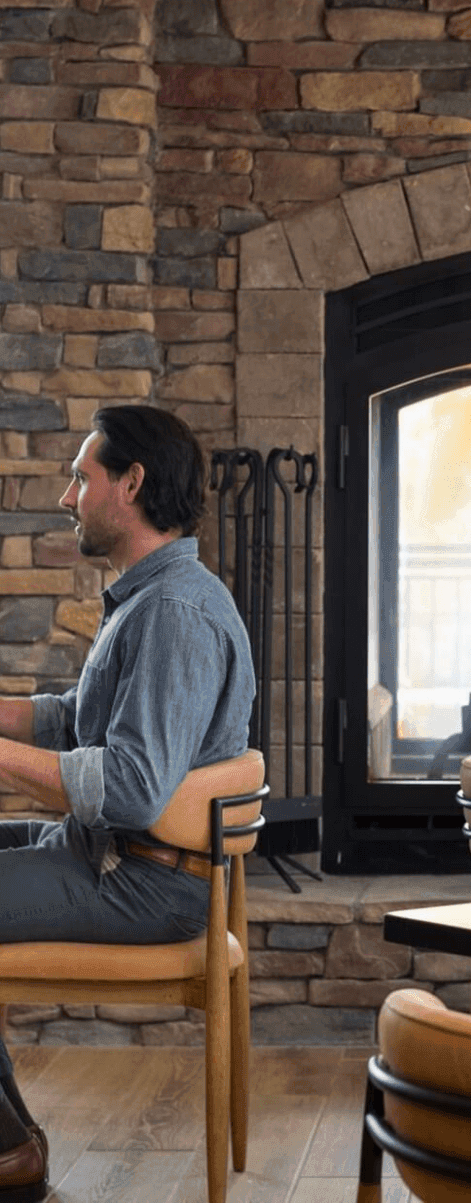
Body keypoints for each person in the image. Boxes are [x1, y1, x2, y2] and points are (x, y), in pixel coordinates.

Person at [0, 405, 255, 1202]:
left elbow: (137, 787)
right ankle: (12, 1146)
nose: (69, 495)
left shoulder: (175, 613)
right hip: (107, 856)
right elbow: (82, 717)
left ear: (131, 483)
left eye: (82, 475)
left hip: (141, 880)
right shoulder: (153, 597)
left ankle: (9, 1153)